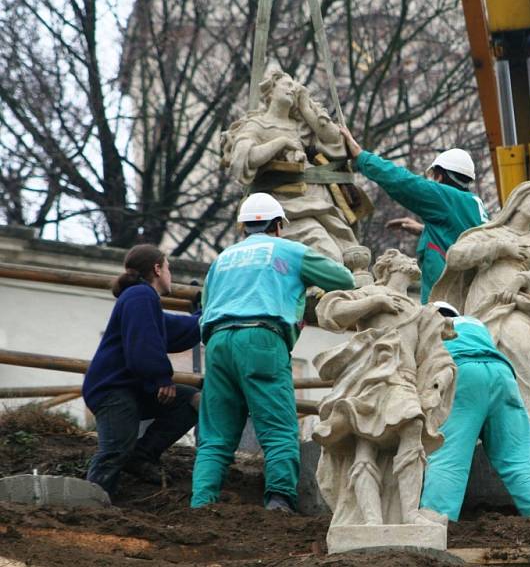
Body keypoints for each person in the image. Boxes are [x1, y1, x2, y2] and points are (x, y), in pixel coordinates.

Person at [191, 192, 355, 512]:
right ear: (278, 225)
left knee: (216, 434)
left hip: (217, 343)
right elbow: (343, 279)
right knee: (278, 426)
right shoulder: (290, 250)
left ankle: (200, 503)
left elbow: (205, 308)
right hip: (262, 339)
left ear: (243, 228)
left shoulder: (222, 260)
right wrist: (305, 287)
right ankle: (279, 499)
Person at [313, 250, 456, 527]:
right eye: (404, 257)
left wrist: (437, 384)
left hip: (402, 380)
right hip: (369, 380)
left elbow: (436, 354)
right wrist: (374, 301)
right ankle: (371, 520)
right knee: (365, 444)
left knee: (413, 424)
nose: (412, 260)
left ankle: (411, 514)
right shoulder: (367, 293)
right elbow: (331, 313)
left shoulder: (419, 310)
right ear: (389, 266)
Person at [431, 181, 530, 435]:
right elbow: (455, 256)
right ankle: (480, 427)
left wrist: (525, 279)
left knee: (522, 344)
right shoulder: (489, 233)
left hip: (518, 306)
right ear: (517, 201)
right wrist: (498, 249)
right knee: (478, 358)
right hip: (483, 304)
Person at [420, 301, 530, 521]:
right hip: (503, 376)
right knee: (517, 456)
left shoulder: (425, 325)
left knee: (447, 454)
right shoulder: (475, 325)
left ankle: (436, 520)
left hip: (461, 374)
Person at [83, 244, 201, 496]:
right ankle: (89, 504)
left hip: (132, 389)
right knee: (114, 451)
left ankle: (142, 455)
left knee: (191, 400)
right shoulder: (140, 295)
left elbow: (176, 330)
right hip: (113, 390)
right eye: (169, 268)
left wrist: (203, 314)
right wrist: (161, 377)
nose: (171, 275)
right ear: (157, 269)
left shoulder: (144, 301)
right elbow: (143, 342)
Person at [221, 69, 363, 263]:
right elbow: (245, 158)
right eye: (287, 85)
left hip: (320, 203)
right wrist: (281, 142)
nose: (292, 89)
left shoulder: (299, 125)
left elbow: (334, 139)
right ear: (270, 91)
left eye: (294, 87)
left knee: (348, 256)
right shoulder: (257, 125)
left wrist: (305, 107)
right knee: (329, 256)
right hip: (285, 206)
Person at [340, 126, 489, 303]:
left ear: (440, 176)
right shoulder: (473, 203)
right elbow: (458, 236)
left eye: (434, 176)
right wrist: (423, 230)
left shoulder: (444, 197)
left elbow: (401, 181)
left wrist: (361, 156)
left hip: (445, 301)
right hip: (467, 297)